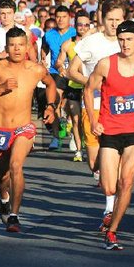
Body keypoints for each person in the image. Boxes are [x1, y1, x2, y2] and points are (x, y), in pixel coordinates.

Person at [85, 21, 134, 250]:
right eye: (121, 39)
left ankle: (112, 230)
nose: (125, 44)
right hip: (110, 129)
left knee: (126, 181)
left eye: (130, 39)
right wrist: (93, 120)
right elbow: (88, 90)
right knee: (109, 186)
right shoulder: (106, 64)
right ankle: (109, 206)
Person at [0, 28, 58, 232]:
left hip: (24, 127)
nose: (17, 49)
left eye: (20, 45)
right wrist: (0, 88)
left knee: (15, 165)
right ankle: (4, 198)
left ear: (27, 47)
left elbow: (51, 85)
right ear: (6, 48)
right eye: (12, 45)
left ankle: (14, 215)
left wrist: (50, 106)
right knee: (1, 176)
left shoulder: (36, 69)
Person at [67, 0, 125, 229]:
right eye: (110, 19)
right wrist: (92, 83)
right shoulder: (91, 42)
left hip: (118, 107)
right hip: (93, 106)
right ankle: (109, 190)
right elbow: (72, 71)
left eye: (118, 20)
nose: (114, 24)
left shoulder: (130, 40)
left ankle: (111, 207)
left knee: (116, 158)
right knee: (95, 163)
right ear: (102, 18)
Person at [56, 10, 92, 161]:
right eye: (80, 24)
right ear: (75, 25)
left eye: (86, 25)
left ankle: (91, 145)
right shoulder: (68, 44)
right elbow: (59, 61)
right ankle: (78, 150)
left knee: (87, 119)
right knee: (76, 119)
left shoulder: (94, 42)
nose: (82, 27)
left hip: (89, 86)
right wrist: (61, 68)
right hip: (73, 86)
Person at [41, 5, 77, 150]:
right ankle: (56, 137)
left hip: (75, 72)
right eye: (58, 17)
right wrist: (42, 60)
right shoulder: (49, 35)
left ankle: (75, 134)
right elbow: (44, 49)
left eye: (64, 17)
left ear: (70, 18)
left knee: (72, 105)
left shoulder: (75, 32)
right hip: (56, 71)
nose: (61, 20)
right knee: (53, 101)